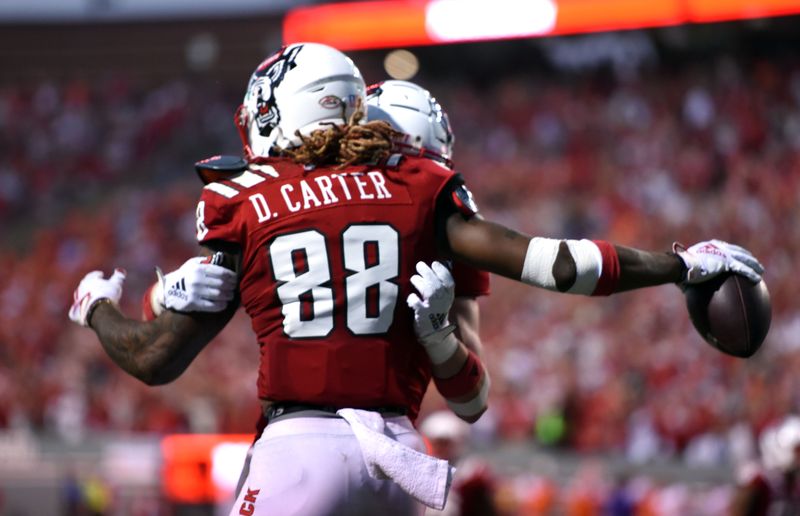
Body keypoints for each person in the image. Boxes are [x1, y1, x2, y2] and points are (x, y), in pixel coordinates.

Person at [68, 42, 764, 515]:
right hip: (401, 459)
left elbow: (158, 360)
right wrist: (679, 265)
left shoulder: (242, 196)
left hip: (300, 448)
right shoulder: (417, 184)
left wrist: (100, 305)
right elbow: (552, 262)